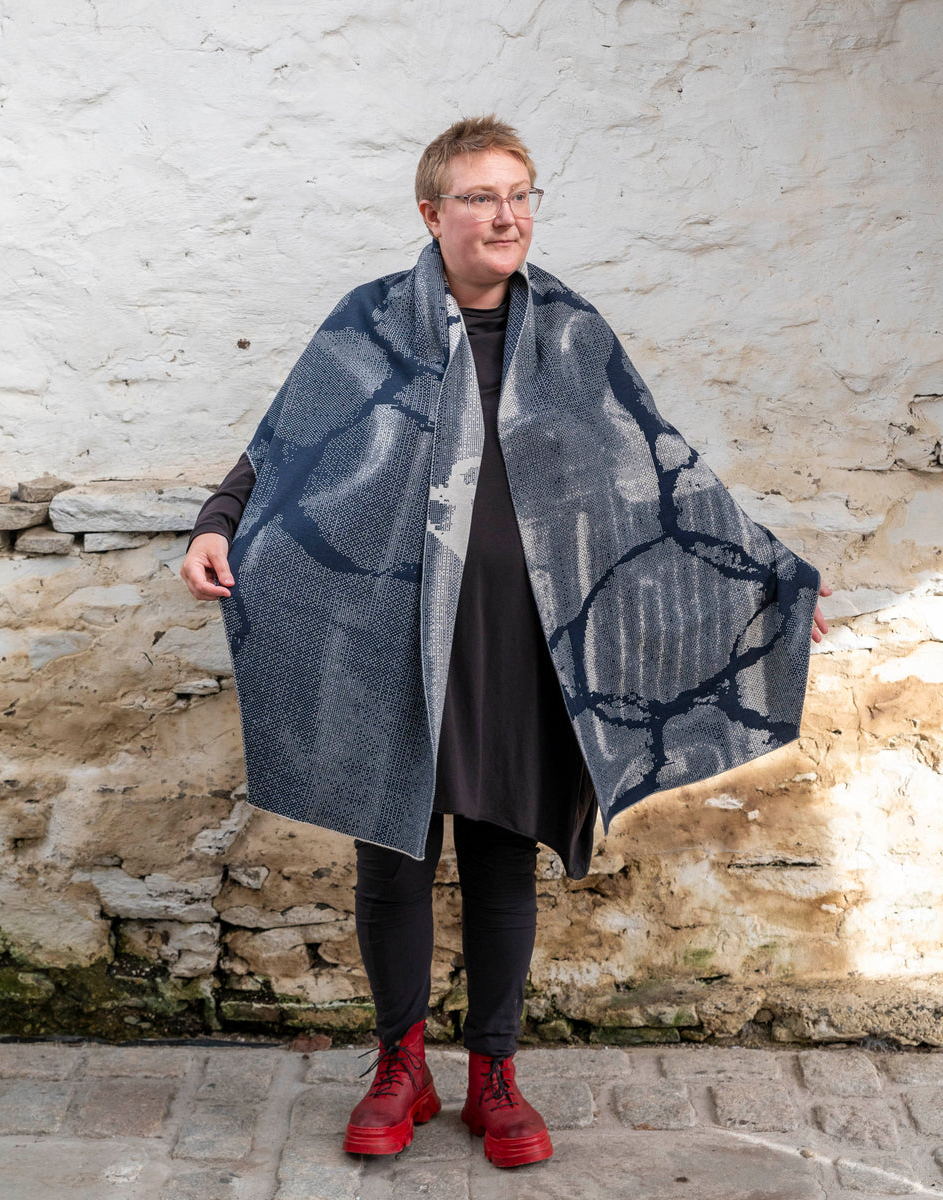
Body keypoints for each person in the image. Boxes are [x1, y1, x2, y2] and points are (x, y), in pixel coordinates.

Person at [182, 116, 830, 1169]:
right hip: (392, 638)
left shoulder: (570, 335)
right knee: (393, 856)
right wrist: (217, 526)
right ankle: (400, 1066)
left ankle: (496, 1072)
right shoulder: (369, 324)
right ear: (431, 212)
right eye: (481, 197)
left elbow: (661, 474)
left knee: (499, 857)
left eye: (521, 194)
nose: (506, 215)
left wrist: (768, 575)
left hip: (524, 643)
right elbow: (284, 448)